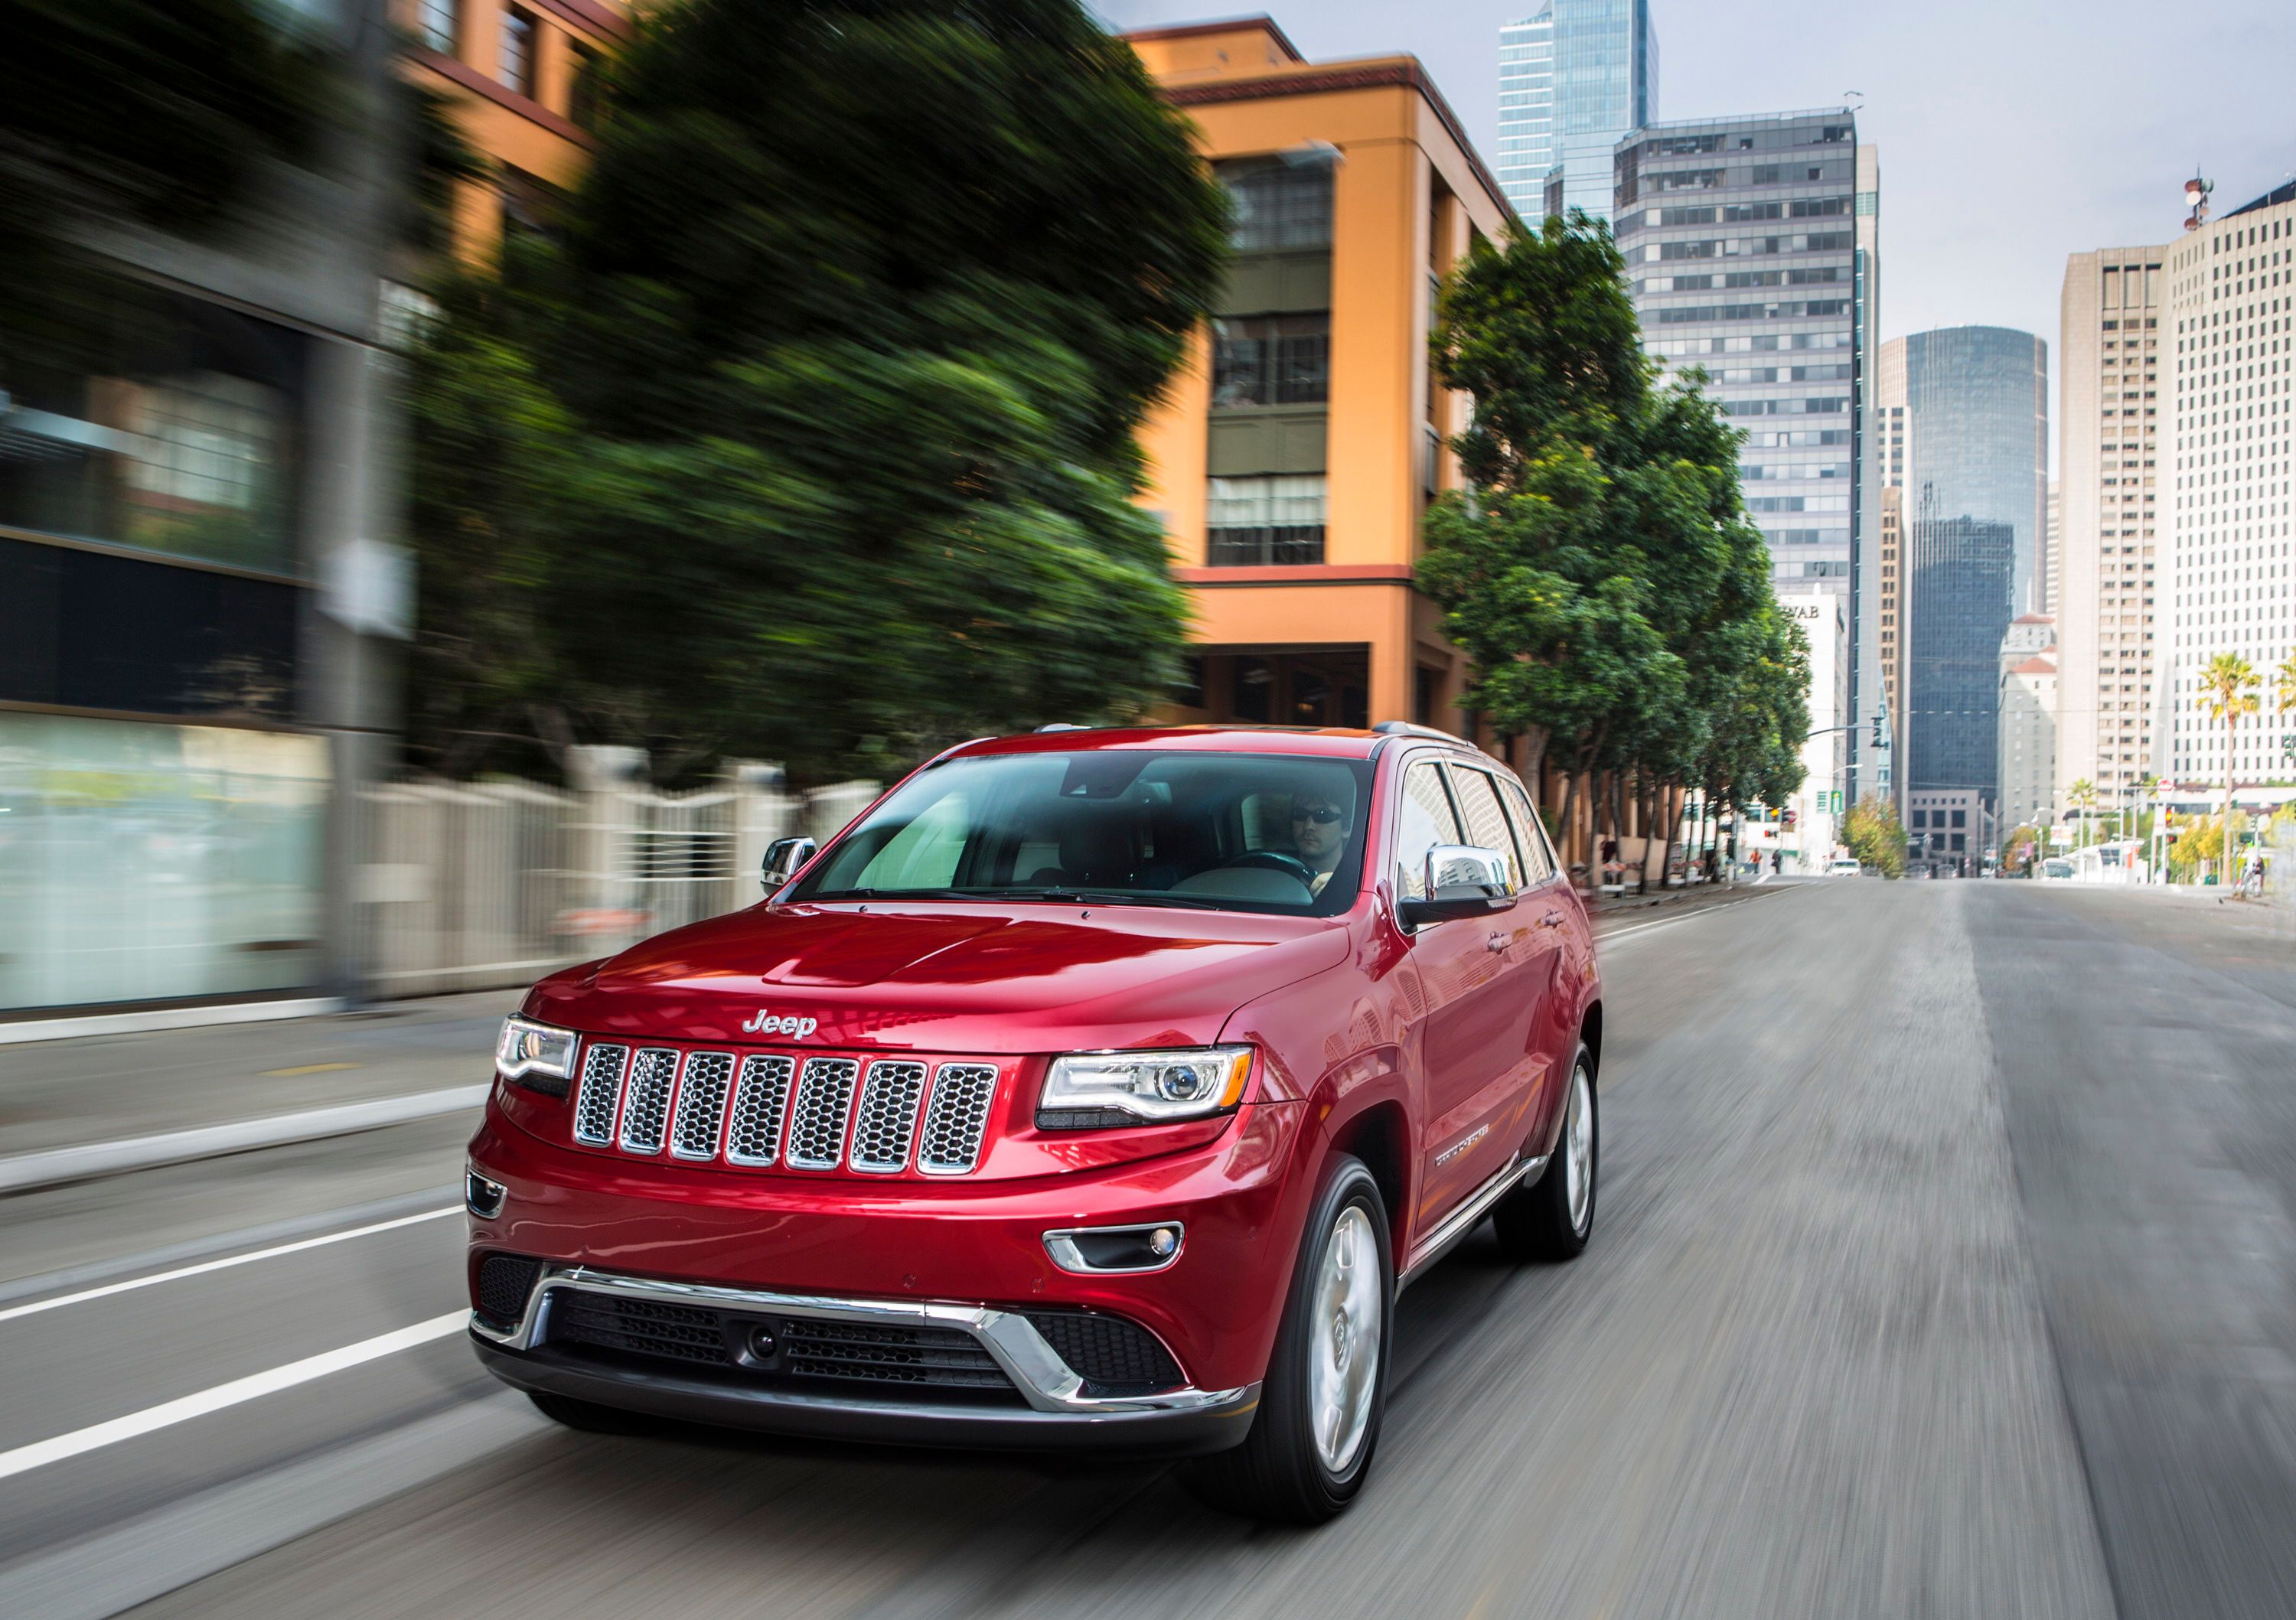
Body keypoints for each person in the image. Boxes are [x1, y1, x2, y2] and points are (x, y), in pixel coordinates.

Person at [1289, 788, 1352, 898]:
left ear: (1347, 828)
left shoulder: (1359, 884)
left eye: (1323, 815)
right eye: (1300, 814)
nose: (1308, 826)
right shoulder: (1271, 871)